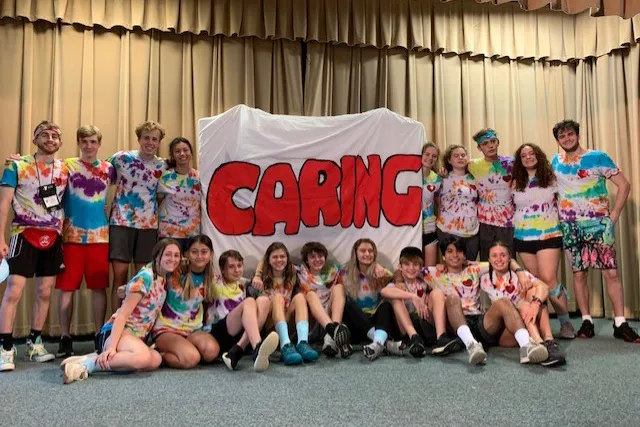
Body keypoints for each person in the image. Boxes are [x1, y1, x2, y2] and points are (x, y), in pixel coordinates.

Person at [551, 120, 639, 342]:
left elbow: (624, 185)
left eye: (570, 134)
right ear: (558, 141)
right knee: (579, 275)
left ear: (578, 135)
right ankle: (587, 321)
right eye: (562, 136)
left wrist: (614, 216)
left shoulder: (598, 156)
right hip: (570, 226)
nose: (567, 138)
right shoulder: (555, 161)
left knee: (611, 273)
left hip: (598, 224)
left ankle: (620, 323)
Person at [61, 239, 182, 384]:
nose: (173, 259)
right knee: (142, 358)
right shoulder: (146, 277)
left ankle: (97, 358)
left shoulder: (164, 278)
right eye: (168, 254)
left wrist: (125, 289)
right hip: (115, 333)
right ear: (157, 256)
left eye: (176, 255)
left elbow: (128, 291)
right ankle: (89, 365)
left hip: (134, 338)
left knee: (155, 359)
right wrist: (111, 346)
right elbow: (122, 314)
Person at [0, 121, 70, 372]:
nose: (50, 139)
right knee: (14, 291)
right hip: (23, 233)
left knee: (44, 291)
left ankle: (35, 341)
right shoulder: (16, 166)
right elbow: (4, 205)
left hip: (53, 235)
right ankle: (6, 347)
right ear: (34, 139)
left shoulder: (67, 168)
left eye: (55, 136)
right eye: (44, 135)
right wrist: (0, 239)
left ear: (60, 142)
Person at [429, 236, 548, 365]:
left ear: (464, 255)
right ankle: (472, 345)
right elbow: (409, 270)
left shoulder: (474, 268)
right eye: (450, 252)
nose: (455, 255)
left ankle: (526, 346)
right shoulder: (433, 272)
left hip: (479, 321)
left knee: (503, 301)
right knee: (452, 298)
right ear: (443, 256)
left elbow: (503, 260)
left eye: (459, 251)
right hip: (455, 322)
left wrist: (519, 270)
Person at [55, 125, 117, 357]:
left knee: (98, 287)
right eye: (85, 141)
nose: (89, 146)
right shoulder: (66, 165)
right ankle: (64, 336)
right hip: (71, 236)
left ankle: (98, 334)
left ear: (99, 144)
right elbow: (41, 168)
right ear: (79, 143)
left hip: (100, 236)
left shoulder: (109, 169)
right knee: (67, 288)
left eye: (93, 142)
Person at [511, 143, 575, 339]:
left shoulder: (552, 178)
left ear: (538, 156)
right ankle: (542, 326)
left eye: (532, 153)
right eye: (524, 155)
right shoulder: (514, 182)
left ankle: (566, 323)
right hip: (523, 236)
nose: (528, 157)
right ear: (520, 160)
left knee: (549, 280)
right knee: (535, 283)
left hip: (549, 234)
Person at [108, 121, 168, 311]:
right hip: (121, 223)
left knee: (143, 278)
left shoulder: (163, 165)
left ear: (159, 142)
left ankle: (136, 325)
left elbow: (161, 196)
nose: (150, 142)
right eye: (146, 138)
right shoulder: (121, 158)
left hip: (148, 227)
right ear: (139, 138)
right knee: (120, 276)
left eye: (154, 139)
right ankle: (112, 324)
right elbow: (97, 174)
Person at [480, 241, 566, 366]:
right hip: (506, 331)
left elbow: (544, 287)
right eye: (494, 256)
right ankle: (540, 343)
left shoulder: (519, 275)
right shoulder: (484, 277)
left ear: (510, 257)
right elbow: (460, 267)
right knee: (522, 305)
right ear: (488, 259)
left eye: (503, 255)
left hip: (526, 319)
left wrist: (535, 304)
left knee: (534, 292)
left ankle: (548, 341)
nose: (499, 259)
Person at [380, 246, 462, 359]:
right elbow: (384, 291)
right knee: (396, 297)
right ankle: (414, 338)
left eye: (415, 264)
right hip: (405, 328)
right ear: (400, 267)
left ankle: (441, 338)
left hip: (424, 322)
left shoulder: (425, 281)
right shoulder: (398, 284)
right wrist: (413, 296)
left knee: (437, 292)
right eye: (407, 264)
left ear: (420, 267)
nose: (411, 268)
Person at [151, 235, 220, 368]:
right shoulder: (174, 270)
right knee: (191, 359)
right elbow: (152, 270)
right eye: (194, 252)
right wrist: (128, 287)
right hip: (167, 328)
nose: (199, 256)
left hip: (193, 329)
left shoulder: (211, 278)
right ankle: (158, 354)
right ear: (186, 254)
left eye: (204, 252)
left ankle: (183, 348)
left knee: (211, 352)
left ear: (211, 254)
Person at [205, 250, 279, 371]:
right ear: (222, 269)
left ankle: (238, 350)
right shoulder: (215, 281)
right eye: (231, 267)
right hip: (220, 332)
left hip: (240, 335)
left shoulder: (244, 284)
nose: (237, 270)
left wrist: (257, 276)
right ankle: (257, 346)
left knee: (264, 300)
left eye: (239, 266)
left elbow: (265, 259)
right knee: (249, 301)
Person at [252, 242, 319, 365]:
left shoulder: (292, 272)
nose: (279, 260)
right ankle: (285, 345)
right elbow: (263, 259)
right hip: (271, 327)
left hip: (287, 321)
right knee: (278, 297)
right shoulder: (262, 277)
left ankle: (303, 343)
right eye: (275, 257)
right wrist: (257, 275)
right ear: (268, 259)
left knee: (299, 297)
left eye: (282, 257)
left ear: (287, 258)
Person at [334, 238, 396, 361]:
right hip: (355, 324)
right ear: (355, 253)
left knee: (386, 305)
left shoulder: (380, 271)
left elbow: (396, 278)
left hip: (375, 322)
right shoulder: (344, 272)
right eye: (363, 251)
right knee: (347, 303)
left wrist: (378, 267)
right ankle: (383, 344)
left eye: (370, 251)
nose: (367, 254)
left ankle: (376, 343)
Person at [296, 242, 352, 358]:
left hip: (330, 315)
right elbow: (271, 258)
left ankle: (333, 332)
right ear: (306, 260)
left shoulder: (334, 271)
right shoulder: (300, 272)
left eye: (320, 256)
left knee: (339, 287)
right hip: (312, 321)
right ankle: (333, 332)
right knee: (310, 294)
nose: (317, 259)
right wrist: (258, 275)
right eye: (312, 257)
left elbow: (356, 267)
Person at [468, 129, 515, 261]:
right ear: (479, 147)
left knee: (507, 261)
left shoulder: (511, 162)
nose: (490, 145)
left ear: (498, 143)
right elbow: (455, 169)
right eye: (485, 143)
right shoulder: (472, 165)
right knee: (487, 261)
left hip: (507, 221)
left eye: (493, 141)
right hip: (485, 222)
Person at [157, 137, 201, 252]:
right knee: (169, 267)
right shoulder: (165, 177)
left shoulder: (199, 177)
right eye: (177, 151)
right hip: (169, 232)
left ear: (191, 153)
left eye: (185, 150)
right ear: (173, 155)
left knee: (188, 268)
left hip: (193, 232)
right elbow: (158, 202)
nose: (182, 154)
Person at [436, 145, 479, 261]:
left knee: (469, 269)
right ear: (449, 160)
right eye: (456, 156)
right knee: (452, 268)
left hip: (472, 232)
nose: (460, 158)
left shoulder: (475, 178)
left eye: (463, 155)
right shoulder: (442, 178)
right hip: (448, 231)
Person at [421, 142, 442, 266]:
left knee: (430, 271)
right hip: (411, 228)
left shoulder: (437, 179)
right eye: (427, 154)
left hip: (429, 227)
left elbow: (439, 203)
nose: (430, 158)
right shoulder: (409, 175)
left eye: (434, 156)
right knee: (412, 268)